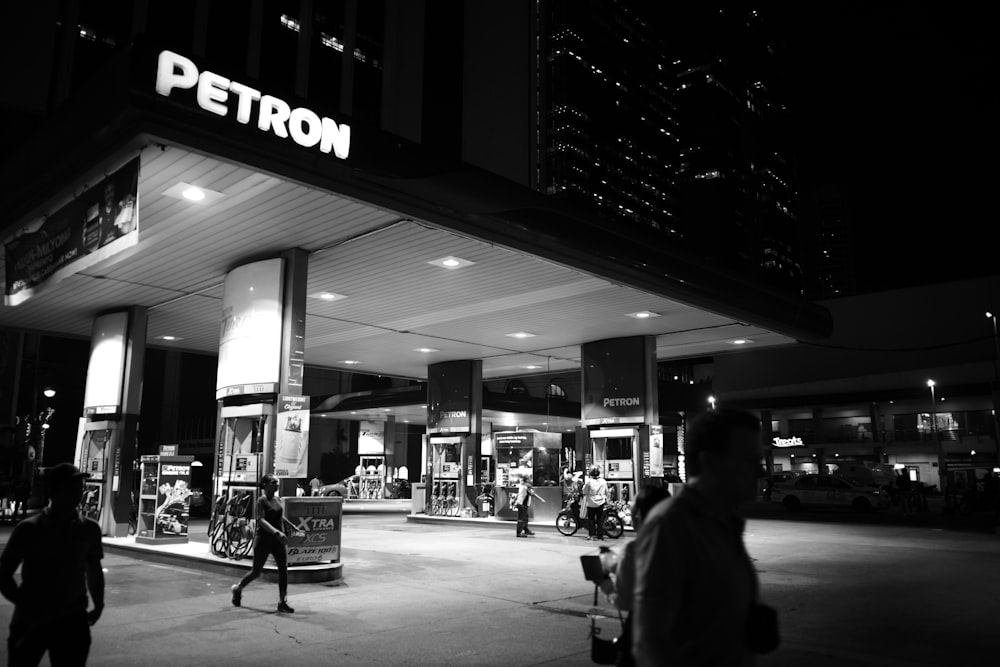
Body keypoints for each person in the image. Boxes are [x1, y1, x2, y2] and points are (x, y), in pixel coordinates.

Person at [631, 410, 774, 666]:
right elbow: (650, 642)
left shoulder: (724, 522)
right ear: (711, 462)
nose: (760, 471)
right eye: (748, 460)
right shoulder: (672, 525)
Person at [0, 463, 105, 666]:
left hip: (73, 620)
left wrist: (99, 604)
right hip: (31, 621)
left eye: (79, 487)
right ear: (53, 491)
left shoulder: (89, 529)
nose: (78, 493)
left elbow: (94, 569)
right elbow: (3, 574)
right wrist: (26, 605)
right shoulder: (29, 528)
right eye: (71, 487)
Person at [599, 484, 672, 667]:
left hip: (646, 637)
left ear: (639, 514)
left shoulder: (635, 548)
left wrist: (603, 581)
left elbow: (624, 601)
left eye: (633, 507)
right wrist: (615, 565)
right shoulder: (683, 544)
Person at [231, 473, 294, 613]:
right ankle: (238, 589)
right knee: (256, 572)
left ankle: (282, 601)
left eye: (277, 482)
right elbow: (261, 520)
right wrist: (276, 532)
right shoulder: (261, 501)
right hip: (264, 540)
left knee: (283, 570)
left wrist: (290, 525)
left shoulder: (277, 499)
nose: (276, 484)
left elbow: (279, 516)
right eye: (273, 482)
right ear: (265, 485)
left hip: (278, 541)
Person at [582, 466, 609, 541]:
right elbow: (607, 491)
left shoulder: (589, 481)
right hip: (601, 501)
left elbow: (584, 491)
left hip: (591, 502)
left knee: (591, 519)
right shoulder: (603, 481)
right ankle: (600, 536)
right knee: (600, 519)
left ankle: (592, 535)